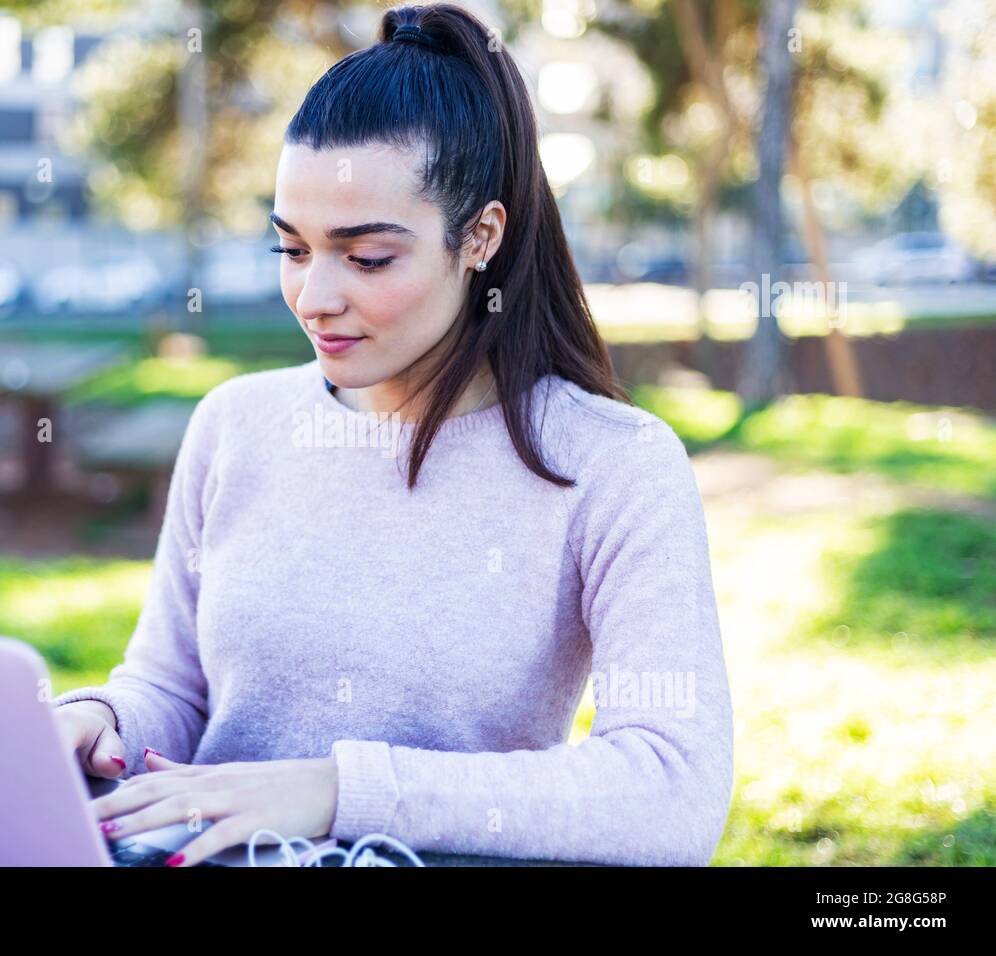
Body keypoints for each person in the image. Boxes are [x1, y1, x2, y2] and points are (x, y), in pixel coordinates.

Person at [54, 2, 734, 867]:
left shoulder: (613, 465)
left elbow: (671, 792)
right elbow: (171, 687)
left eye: (366, 258)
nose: (315, 298)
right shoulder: (235, 424)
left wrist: (340, 791)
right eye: (291, 251)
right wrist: (99, 722)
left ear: (480, 236)